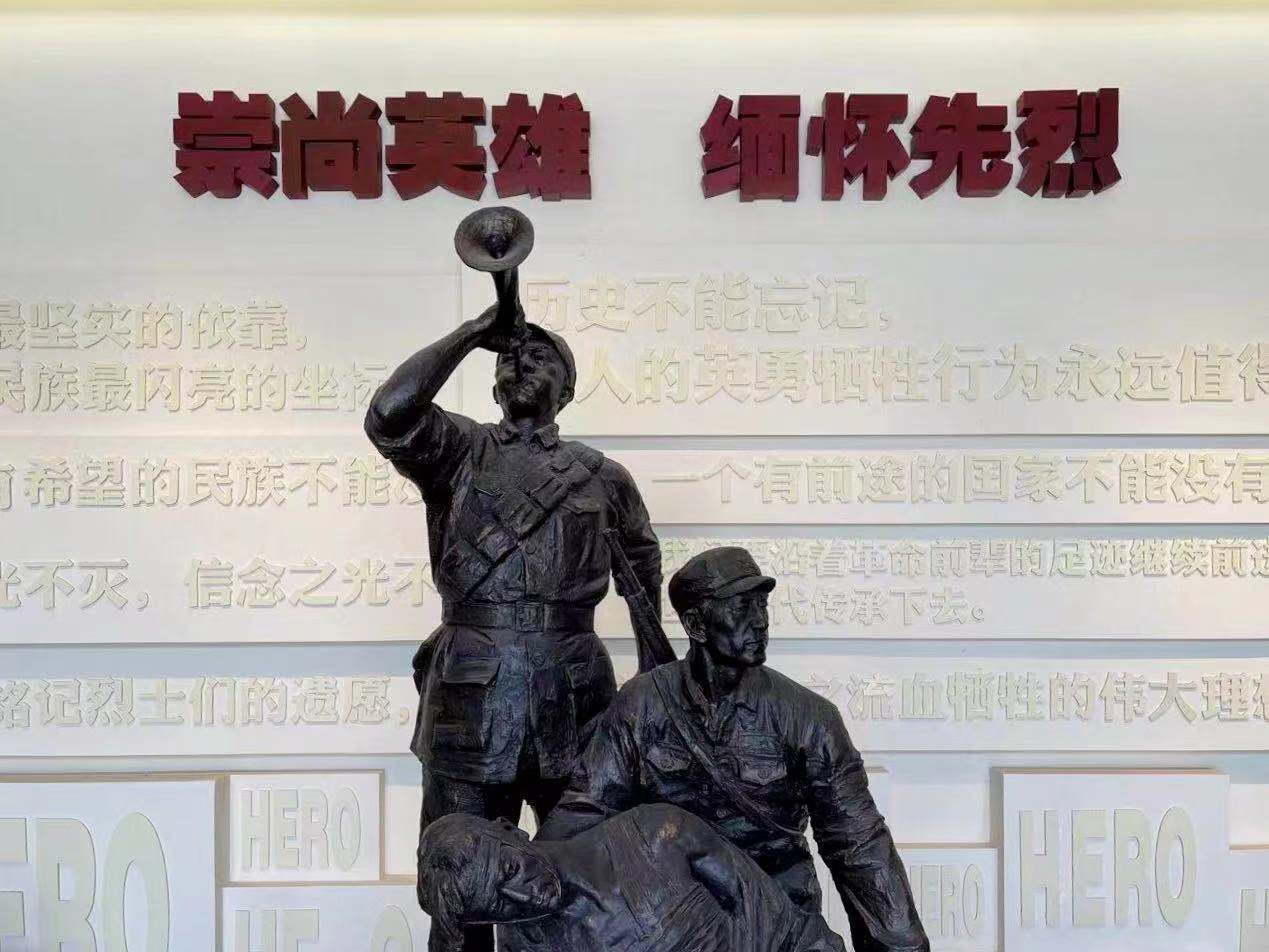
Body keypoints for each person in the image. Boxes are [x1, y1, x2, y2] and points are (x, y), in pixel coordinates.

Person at [365, 293, 661, 952]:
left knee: (588, 880)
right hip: (471, 695)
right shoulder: (459, 451)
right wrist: (474, 332)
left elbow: (641, 572)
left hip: (576, 696)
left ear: (567, 389)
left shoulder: (603, 477)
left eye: (540, 359)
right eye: (510, 359)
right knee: (463, 884)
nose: (521, 365)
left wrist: (653, 683)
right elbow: (389, 414)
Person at [538, 546, 929, 952]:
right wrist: (528, 878)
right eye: (742, 607)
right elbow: (584, 811)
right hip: (673, 921)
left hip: (778, 921)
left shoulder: (809, 718)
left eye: (762, 605)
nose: (760, 621)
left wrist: (900, 947)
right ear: (696, 625)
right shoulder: (641, 707)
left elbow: (859, 844)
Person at [417, 804, 848, 952]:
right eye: (501, 906)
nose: (524, 897)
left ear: (510, 829)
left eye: (511, 869)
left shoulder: (657, 837)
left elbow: (792, 934)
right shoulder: (524, 944)